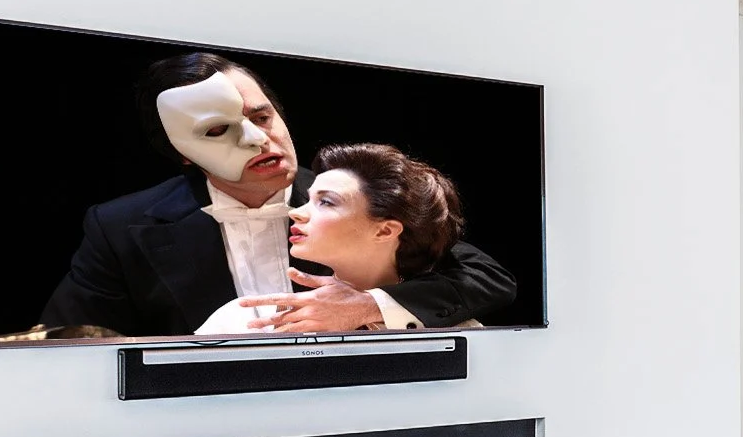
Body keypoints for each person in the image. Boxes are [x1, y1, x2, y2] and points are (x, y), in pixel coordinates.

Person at [38, 51, 515, 337]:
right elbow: (67, 341)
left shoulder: (350, 194)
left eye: (262, 117)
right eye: (219, 130)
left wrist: (368, 306)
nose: (257, 140)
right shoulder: (121, 226)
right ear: (181, 152)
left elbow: (487, 277)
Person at [198, 145, 477, 334]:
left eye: (327, 202)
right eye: (309, 199)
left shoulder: (460, 332)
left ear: (384, 231)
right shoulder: (248, 320)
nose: (296, 213)